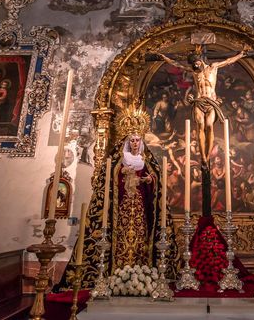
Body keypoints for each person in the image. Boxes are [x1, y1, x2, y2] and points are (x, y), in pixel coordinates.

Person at [54, 109, 177, 290]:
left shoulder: (147, 159)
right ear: (128, 142)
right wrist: (123, 172)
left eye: (137, 140)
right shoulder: (119, 160)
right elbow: (110, 179)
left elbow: (155, 179)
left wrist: (151, 179)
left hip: (141, 210)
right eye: (132, 140)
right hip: (121, 211)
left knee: (141, 240)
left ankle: (143, 273)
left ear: (141, 142)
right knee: (118, 238)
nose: (135, 143)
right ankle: (116, 274)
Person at [157, 47, 248, 165]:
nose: (195, 66)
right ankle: (203, 157)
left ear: (200, 60)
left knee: (209, 126)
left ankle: (208, 154)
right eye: (193, 64)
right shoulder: (195, 72)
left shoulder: (213, 67)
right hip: (199, 101)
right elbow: (178, 65)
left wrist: (240, 55)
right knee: (200, 126)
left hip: (211, 102)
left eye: (196, 63)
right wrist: (165, 58)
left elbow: (228, 61)